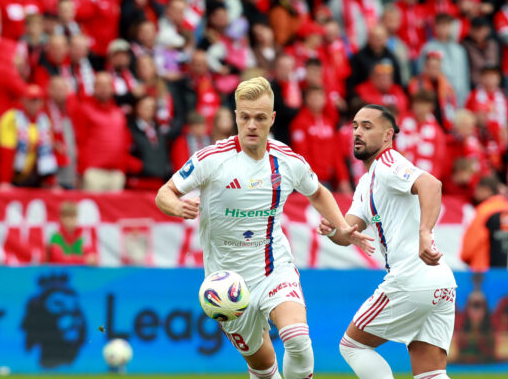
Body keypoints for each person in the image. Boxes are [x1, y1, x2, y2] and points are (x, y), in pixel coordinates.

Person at [155, 77, 373, 379]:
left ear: (271, 119)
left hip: (274, 269)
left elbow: (318, 191)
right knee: (264, 369)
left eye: (259, 118)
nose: (252, 125)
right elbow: (164, 193)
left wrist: (342, 226)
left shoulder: (286, 160)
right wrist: (177, 206)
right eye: (245, 117)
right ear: (236, 116)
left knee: (297, 339)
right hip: (227, 286)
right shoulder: (211, 159)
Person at [318, 104, 457, 379]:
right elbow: (348, 231)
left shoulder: (389, 163)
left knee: (352, 346)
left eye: (367, 127)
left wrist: (424, 232)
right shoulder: (367, 181)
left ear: (387, 136)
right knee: (431, 374)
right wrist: (334, 231)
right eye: (355, 126)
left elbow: (431, 185)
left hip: (411, 279)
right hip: (440, 283)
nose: (358, 132)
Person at [460, 176, 508, 271]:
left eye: (477, 190)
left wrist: (464, 257)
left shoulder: (484, 211)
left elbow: (472, 240)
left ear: (485, 189)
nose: (475, 194)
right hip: (503, 270)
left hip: (481, 271)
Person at [46, 201, 97, 265]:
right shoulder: (56, 237)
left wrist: (92, 259)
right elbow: (58, 259)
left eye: (73, 217)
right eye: (67, 216)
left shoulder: (81, 238)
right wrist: (84, 260)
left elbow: (91, 255)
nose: (70, 220)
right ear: (61, 218)